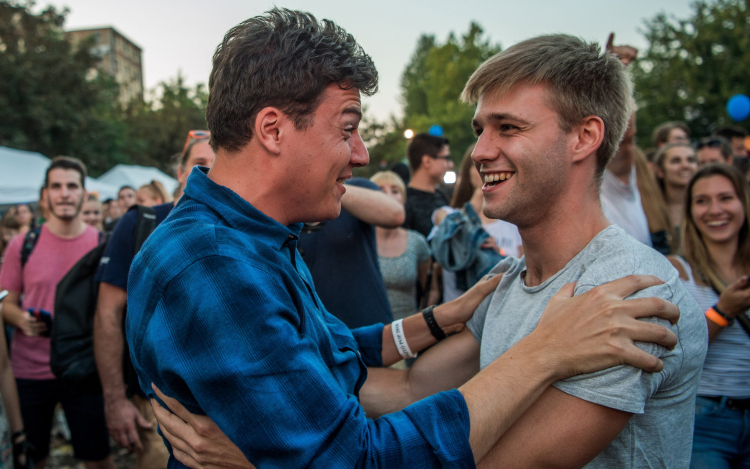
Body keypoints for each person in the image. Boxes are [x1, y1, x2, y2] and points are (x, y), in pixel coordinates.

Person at [129, 12, 681, 468]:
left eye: (509, 128)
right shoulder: (215, 263)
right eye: (348, 128)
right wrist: (545, 352)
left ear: (585, 137)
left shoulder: (621, 288)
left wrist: (439, 319)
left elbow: (342, 362)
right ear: (272, 130)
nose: (479, 152)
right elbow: (363, 452)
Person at [94, 131, 215, 469]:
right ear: (180, 171)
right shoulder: (140, 223)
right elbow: (107, 315)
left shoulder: (239, 230)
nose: (209, 172)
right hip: (158, 407)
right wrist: (115, 401)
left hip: (224, 407)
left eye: (218, 162)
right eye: (199, 163)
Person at [0, 157, 115, 469]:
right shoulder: (22, 244)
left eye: (72, 186)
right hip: (30, 370)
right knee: (32, 458)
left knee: (98, 459)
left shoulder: (102, 245)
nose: (64, 193)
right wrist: (21, 319)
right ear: (45, 195)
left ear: (84, 193)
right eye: (57, 186)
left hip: (84, 368)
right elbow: (6, 303)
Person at [666, 164, 750, 468]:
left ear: (743, 203)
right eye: (702, 201)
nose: (715, 210)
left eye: (726, 198)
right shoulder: (675, 271)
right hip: (703, 418)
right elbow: (672, 352)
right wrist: (722, 312)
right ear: (690, 211)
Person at [297, 176, 404, 329]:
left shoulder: (357, 186)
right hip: (316, 331)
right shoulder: (283, 203)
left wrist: (327, 185)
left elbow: (395, 215)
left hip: (372, 327)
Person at [433, 148, 521, 302]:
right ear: (467, 172)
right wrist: (481, 192)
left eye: (494, 164)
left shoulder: (514, 224)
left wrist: (499, 254)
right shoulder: (446, 213)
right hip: (457, 310)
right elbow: (452, 230)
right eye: (479, 164)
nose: (486, 169)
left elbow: (523, 274)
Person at [370, 171, 438, 321]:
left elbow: (432, 290)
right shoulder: (359, 240)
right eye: (380, 190)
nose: (388, 195)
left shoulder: (416, 242)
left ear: (404, 200)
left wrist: (420, 321)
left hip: (406, 328)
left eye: (395, 191)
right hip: (364, 329)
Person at [403, 133, 453, 237]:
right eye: (446, 158)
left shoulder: (440, 195)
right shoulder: (404, 201)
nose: (450, 164)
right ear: (427, 161)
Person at [654, 142, 699, 234]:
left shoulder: (710, 206)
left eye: (691, 160)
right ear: (660, 171)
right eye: (676, 161)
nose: (685, 165)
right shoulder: (649, 211)